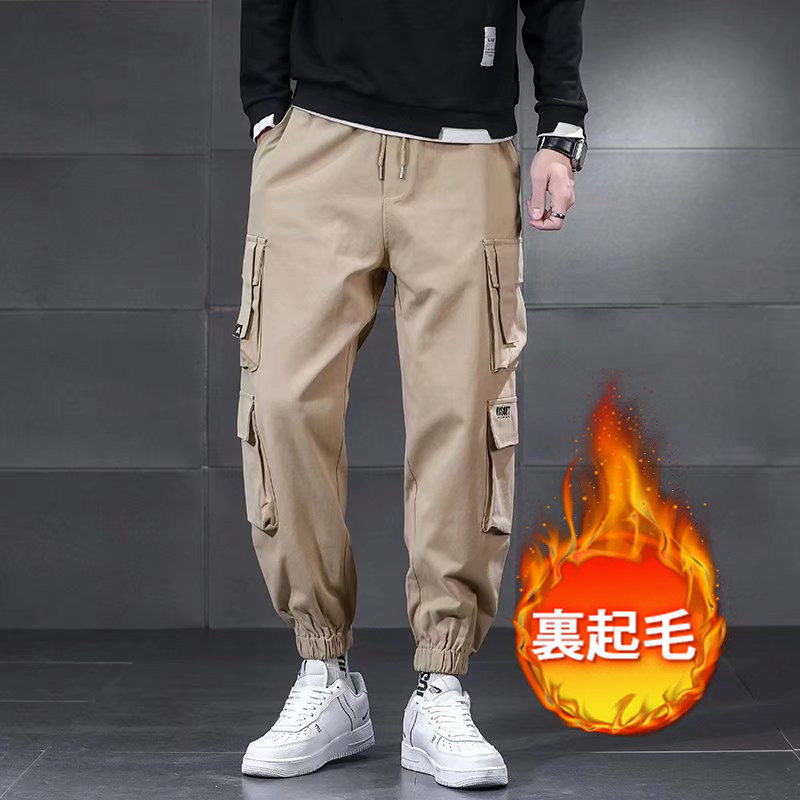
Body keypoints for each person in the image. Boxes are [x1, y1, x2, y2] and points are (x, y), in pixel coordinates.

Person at [235, 0, 587, 788]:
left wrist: (561, 124)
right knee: (281, 401)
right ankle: (324, 672)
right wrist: (264, 109)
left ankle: (441, 684)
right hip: (318, 139)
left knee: (462, 415)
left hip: (465, 149)